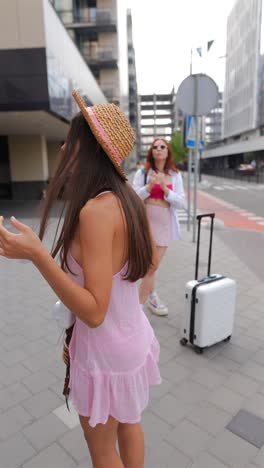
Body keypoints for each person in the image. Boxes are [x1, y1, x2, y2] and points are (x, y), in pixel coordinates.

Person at [0, 91, 161, 468]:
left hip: (104, 354)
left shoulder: (94, 211)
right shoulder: (130, 200)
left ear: (89, 148)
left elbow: (93, 312)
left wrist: (38, 255)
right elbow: (150, 261)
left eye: (71, 138)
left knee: (103, 452)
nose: (62, 146)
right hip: (133, 339)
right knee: (130, 425)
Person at [133, 138, 185, 316]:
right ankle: (152, 297)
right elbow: (134, 197)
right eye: (155, 147)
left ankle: (138, 308)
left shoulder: (175, 175)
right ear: (151, 152)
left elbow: (181, 203)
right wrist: (149, 186)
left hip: (164, 224)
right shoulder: (143, 172)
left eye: (162, 146)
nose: (158, 149)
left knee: (152, 267)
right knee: (149, 266)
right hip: (145, 223)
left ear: (168, 151)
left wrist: (165, 189)